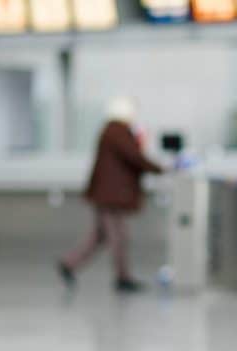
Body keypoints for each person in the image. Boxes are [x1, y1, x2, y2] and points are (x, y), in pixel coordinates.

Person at [57, 96, 164, 292]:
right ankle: (122, 278)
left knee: (100, 236)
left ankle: (69, 264)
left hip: (104, 193)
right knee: (119, 236)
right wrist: (160, 168)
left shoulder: (111, 131)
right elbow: (134, 157)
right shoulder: (118, 131)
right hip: (112, 195)